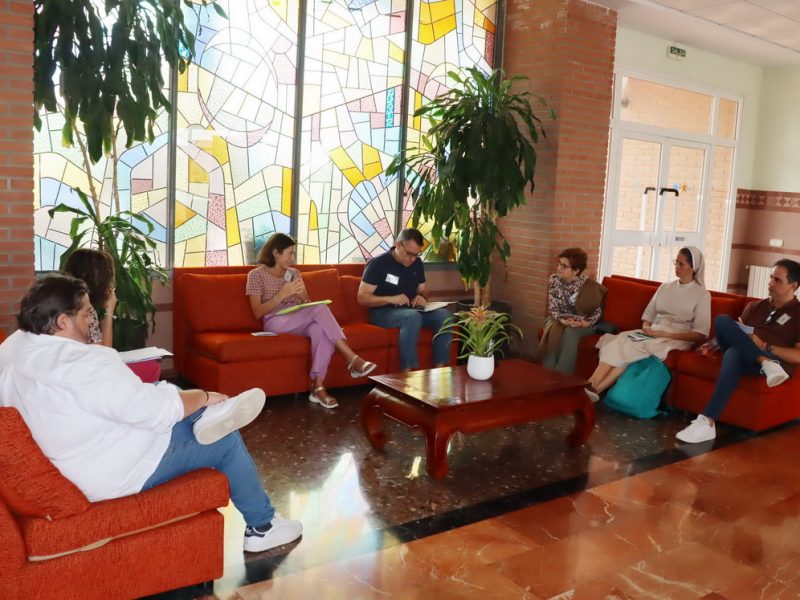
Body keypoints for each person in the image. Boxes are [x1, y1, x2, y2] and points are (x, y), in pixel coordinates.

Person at [0, 274, 302, 553]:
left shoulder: (13, 348)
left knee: (168, 396)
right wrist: (203, 395)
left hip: (72, 454)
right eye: (86, 313)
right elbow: (156, 412)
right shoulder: (84, 365)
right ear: (63, 321)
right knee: (224, 440)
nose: (92, 319)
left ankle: (206, 416)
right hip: (106, 471)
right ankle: (263, 527)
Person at [246, 233, 376, 409]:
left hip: (299, 316)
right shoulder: (256, 275)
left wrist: (301, 296)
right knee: (320, 309)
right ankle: (351, 358)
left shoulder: (294, 273)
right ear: (275, 253)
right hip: (275, 320)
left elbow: (307, 303)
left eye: (293, 253)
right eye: (289, 253)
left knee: (319, 330)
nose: (293, 258)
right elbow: (257, 312)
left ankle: (318, 386)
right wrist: (282, 295)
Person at [676, 259, 800, 443]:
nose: (770, 283)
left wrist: (765, 346)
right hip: (755, 358)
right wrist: (717, 342)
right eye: (770, 278)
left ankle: (707, 421)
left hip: (776, 360)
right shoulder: (756, 307)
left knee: (733, 353)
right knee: (722, 320)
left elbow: (798, 356)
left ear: (793, 285)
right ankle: (765, 363)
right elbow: (736, 332)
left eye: (777, 280)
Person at [585, 247, 711, 401]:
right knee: (620, 340)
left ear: (693, 267)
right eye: (675, 262)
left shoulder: (702, 295)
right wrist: (646, 328)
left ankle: (596, 389)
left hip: (677, 338)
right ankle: (592, 384)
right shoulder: (665, 287)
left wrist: (665, 334)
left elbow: (700, 334)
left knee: (633, 347)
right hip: (654, 332)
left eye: (681, 264)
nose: (676, 267)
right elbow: (649, 315)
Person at [357, 228, 451, 372]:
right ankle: (407, 376)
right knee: (412, 317)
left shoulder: (417, 263)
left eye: (416, 255)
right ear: (398, 245)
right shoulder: (378, 264)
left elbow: (423, 289)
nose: (413, 259)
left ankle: (440, 372)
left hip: (410, 310)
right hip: (383, 312)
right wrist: (390, 299)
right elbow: (362, 297)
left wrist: (422, 297)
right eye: (409, 254)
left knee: (444, 316)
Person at [63, 248, 161, 383]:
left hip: (76, 370)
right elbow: (105, 353)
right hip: (88, 375)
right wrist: (109, 311)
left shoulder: (63, 302)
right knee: (152, 367)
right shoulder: (86, 311)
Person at [539, 248, 605, 374]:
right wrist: (562, 321)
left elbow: (597, 311)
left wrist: (587, 323)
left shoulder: (588, 285)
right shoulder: (554, 280)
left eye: (564, 266)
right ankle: (547, 374)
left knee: (570, 333)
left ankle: (561, 376)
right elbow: (553, 309)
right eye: (559, 264)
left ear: (576, 271)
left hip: (582, 324)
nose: (558, 268)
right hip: (558, 320)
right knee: (555, 330)